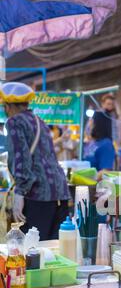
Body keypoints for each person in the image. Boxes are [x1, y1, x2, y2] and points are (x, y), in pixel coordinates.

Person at [1, 82, 70, 240]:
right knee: (53, 249)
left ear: (8, 106)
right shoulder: (40, 121)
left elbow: (21, 159)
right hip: (60, 193)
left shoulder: (14, 122)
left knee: (32, 250)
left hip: (38, 195)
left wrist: (20, 192)